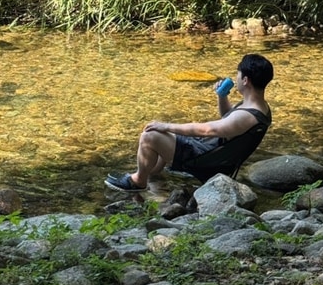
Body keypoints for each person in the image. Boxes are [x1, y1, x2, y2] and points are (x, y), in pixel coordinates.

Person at [105, 53, 274, 193]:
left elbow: (208, 130)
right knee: (169, 133)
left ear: (245, 80)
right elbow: (229, 122)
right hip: (215, 156)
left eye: (238, 74)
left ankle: (138, 182)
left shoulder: (247, 116)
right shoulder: (259, 107)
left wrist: (166, 126)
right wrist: (222, 96)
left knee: (150, 136)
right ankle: (153, 173)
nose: (236, 78)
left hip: (203, 159)